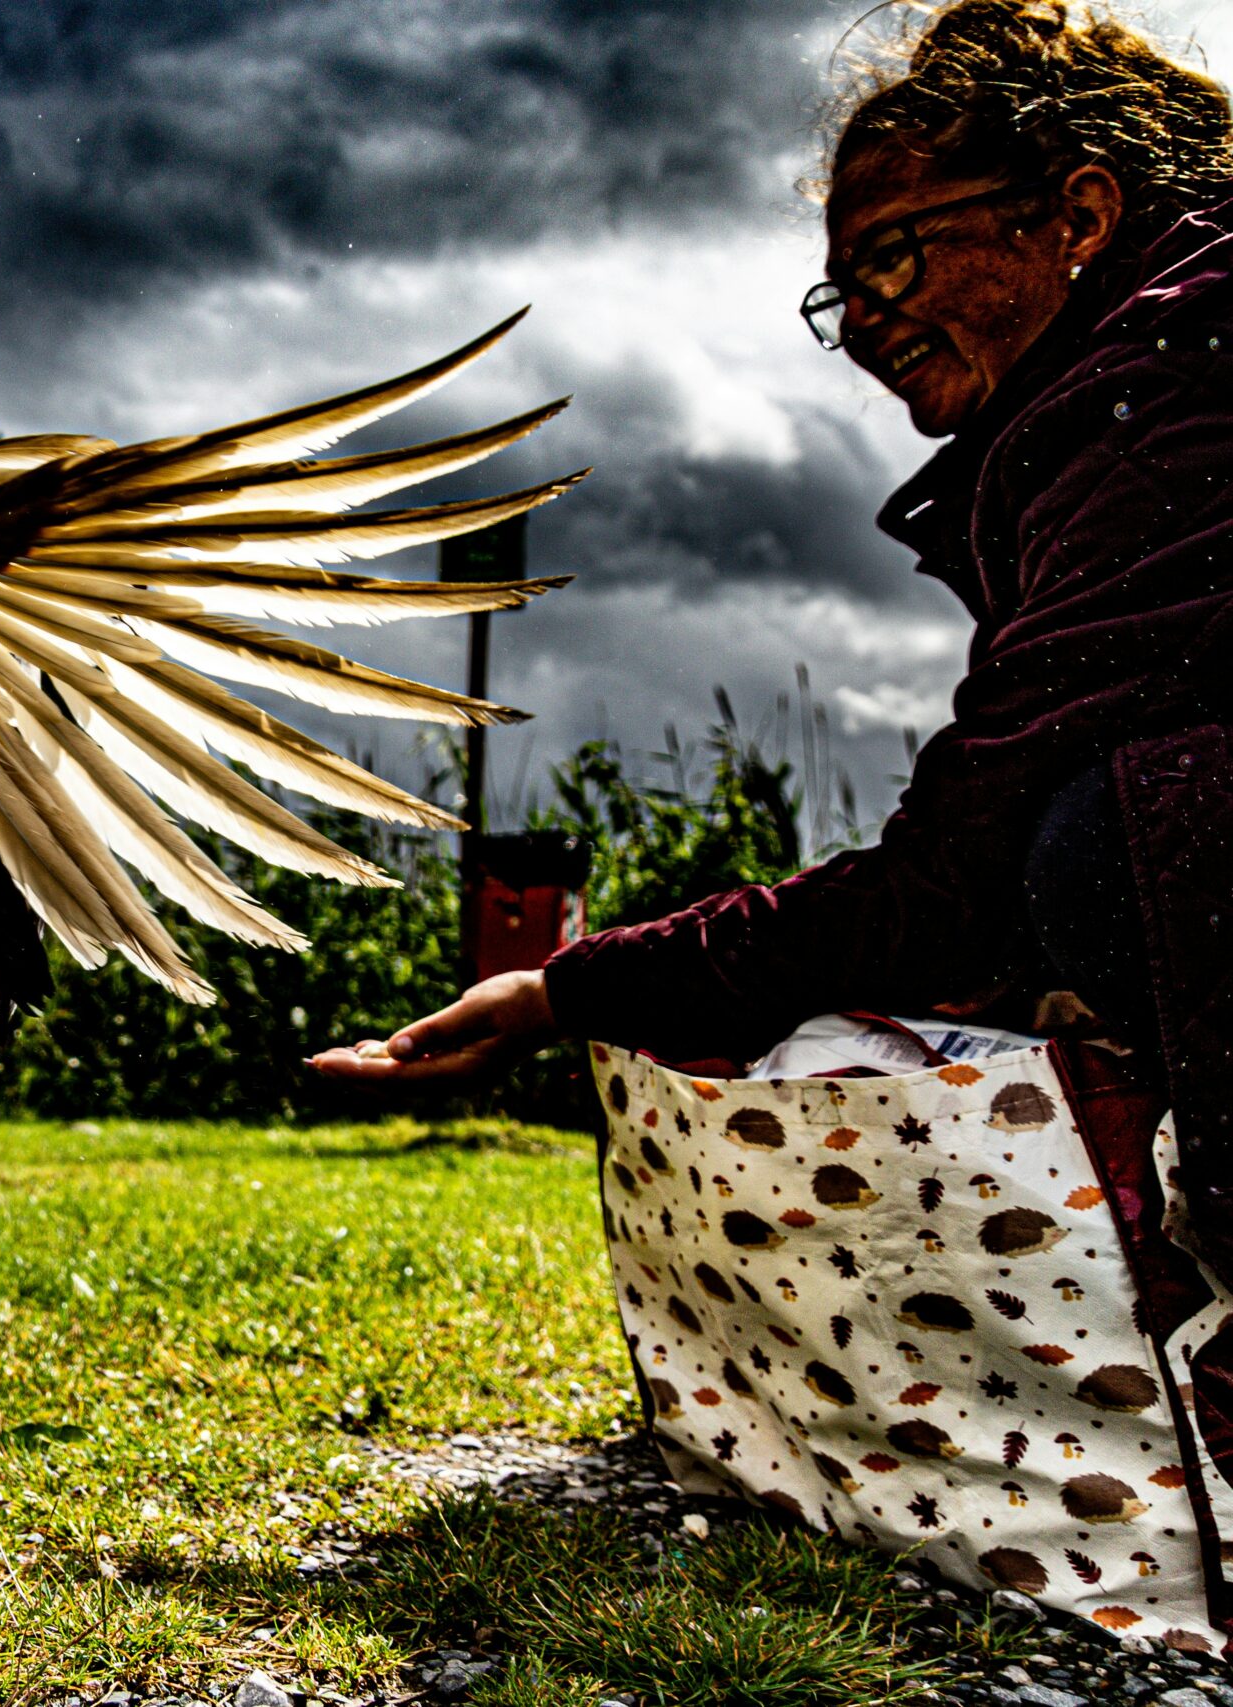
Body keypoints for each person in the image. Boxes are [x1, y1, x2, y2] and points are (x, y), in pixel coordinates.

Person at [314, 0, 1233, 1271]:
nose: (861, 324)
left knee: (1108, 839)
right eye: (840, 291)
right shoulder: (1145, 390)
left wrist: (561, 988)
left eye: (896, 258)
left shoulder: (1159, 416)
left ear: (1076, 218)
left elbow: (938, 892)